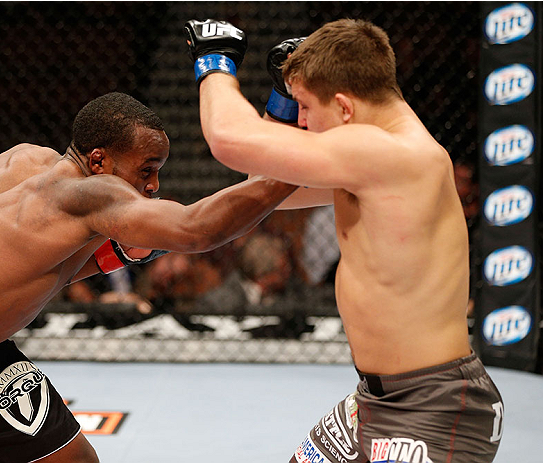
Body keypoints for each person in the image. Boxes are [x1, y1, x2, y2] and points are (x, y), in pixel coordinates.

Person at [0, 91, 298, 463]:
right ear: (99, 160)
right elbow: (200, 229)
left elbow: (30, 269)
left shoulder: (24, 162)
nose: (154, 186)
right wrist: (302, 163)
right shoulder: (86, 197)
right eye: (146, 170)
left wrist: (120, 252)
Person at [184, 19, 503, 463]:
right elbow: (264, 185)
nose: (302, 122)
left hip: (431, 409)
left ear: (344, 107)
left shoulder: (390, 154)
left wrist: (214, 60)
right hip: (372, 402)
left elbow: (228, 140)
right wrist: (281, 96)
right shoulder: (376, 160)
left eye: (306, 109)